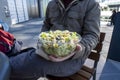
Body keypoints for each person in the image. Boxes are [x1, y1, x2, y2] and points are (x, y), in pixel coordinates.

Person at [10, 0, 100, 80]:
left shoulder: (91, 4)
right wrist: (42, 43)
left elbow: (92, 35)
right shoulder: (52, 4)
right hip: (49, 51)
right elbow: (46, 26)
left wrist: (76, 49)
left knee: (31, 64)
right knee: (26, 58)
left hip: (73, 60)